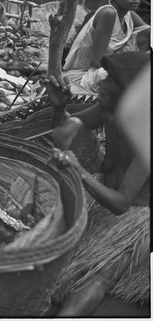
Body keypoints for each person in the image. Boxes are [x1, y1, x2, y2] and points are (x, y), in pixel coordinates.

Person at [46, 51, 150, 316]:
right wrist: (59, 108)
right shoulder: (109, 111)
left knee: (98, 273)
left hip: (135, 215)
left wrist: (79, 172)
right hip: (101, 194)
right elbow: (63, 134)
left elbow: (121, 204)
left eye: (110, 80)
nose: (100, 84)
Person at [62, 0, 150, 93]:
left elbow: (149, 34)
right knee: (138, 74)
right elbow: (97, 61)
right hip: (86, 75)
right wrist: (131, 66)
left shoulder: (129, 14)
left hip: (110, 66)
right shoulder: (108, 13)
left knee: (147, 33)